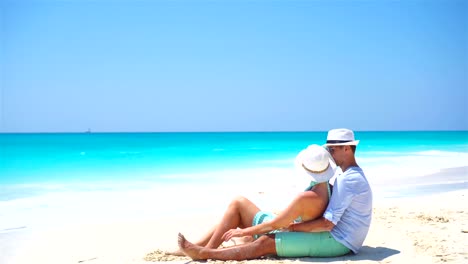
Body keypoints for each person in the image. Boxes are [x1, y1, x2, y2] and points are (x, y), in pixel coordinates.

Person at [178, 128, 373, 260]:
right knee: (241, 206)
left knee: (266, 242)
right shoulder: (344, 175)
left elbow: (327, 224)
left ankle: (206, 254)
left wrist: (292, 228)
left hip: (340, 241)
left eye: (332, 149)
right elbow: (321, 157)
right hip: (335, 234)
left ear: (347, 148)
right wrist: (321, 154)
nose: (329, 153)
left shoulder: (349, 179)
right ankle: (200, 248)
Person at [175, 144, 336, 259]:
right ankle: (200, 246)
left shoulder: (306, 197)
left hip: (283, 231)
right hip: (290, 226)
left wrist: (244, 232)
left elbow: (276, 225)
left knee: (237, 206)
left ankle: (204, 251)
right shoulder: (327, 187)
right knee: (236, 208)